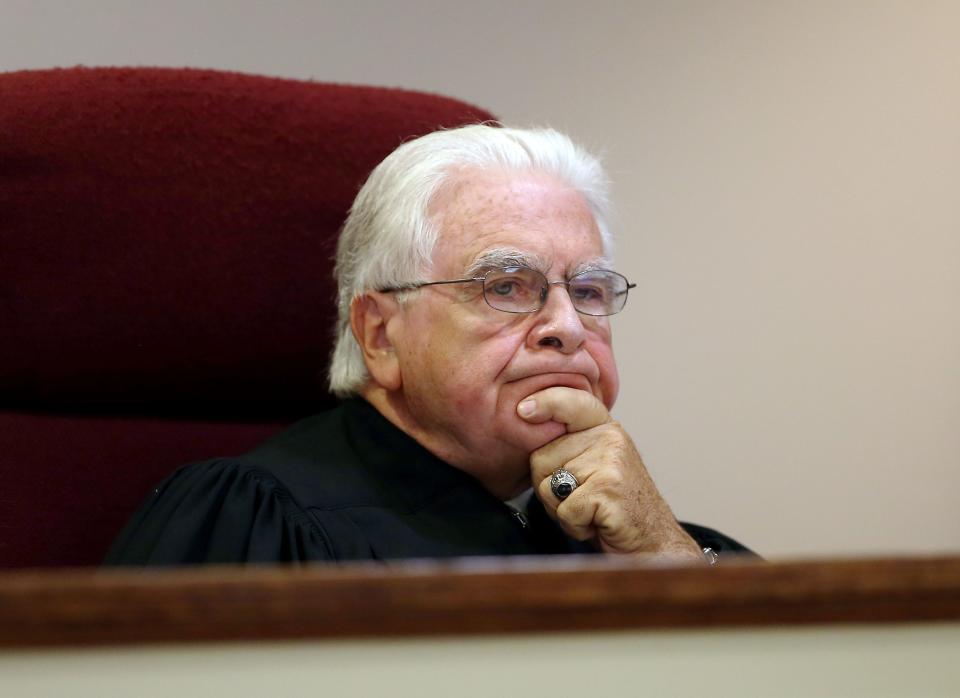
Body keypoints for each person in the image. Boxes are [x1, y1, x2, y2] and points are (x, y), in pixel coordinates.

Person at [106, 125, 751, 565]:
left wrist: (667, 557)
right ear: (381, 336)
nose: (569, 326)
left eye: (586, 290)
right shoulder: (257, 524)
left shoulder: (647, 539)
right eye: (506, 285)